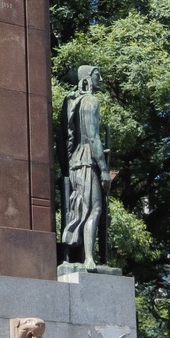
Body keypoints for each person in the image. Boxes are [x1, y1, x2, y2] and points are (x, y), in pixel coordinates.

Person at [59, 66, 111, 271]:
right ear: (88, 79)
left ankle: (83, 256)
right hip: (87, 161)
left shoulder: (71, 102)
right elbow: (93, 137)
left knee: (82, 208)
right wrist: (105, 170)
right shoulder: (90, 101)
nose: (101, 78)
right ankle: (89, 258)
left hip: (75, 162)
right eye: (98, 75)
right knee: (94, 209)